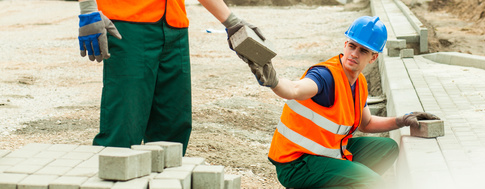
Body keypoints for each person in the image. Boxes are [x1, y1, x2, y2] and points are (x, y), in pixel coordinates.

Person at [245, 16, 440, 188]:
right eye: (352, 46)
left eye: (363, 51)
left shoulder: (359, 83)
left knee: (387, 149)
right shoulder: (325, 76)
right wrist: (274, 82)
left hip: (326, 154)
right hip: (297, 163)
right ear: (345, 44)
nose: (354, 54)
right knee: (373, 183)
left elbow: (367, 123)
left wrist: (403, 120)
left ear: (374, 58)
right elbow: (295, 89)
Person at [76, 0, 262, 155]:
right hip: (128, 23)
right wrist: (88, 10)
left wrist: (232, 21)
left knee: (173, 127)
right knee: (124, 125)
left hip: (174, 26)